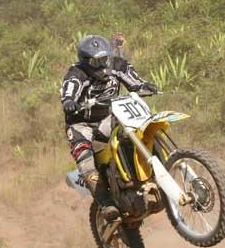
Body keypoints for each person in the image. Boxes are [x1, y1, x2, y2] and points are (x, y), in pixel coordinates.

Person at [61, 35, 158, 221]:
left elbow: (134, 81)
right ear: (84, 61)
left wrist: (144, 85)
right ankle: (106, 204)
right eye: (95, 60)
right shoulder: (76, 73)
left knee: (134, 131)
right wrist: (69, 101)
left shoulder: (117, 64)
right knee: (85, 159)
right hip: (81, 123)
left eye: (104, 58)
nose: (101, 64)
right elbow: (69, 89)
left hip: (107, 116)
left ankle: (140, 173)